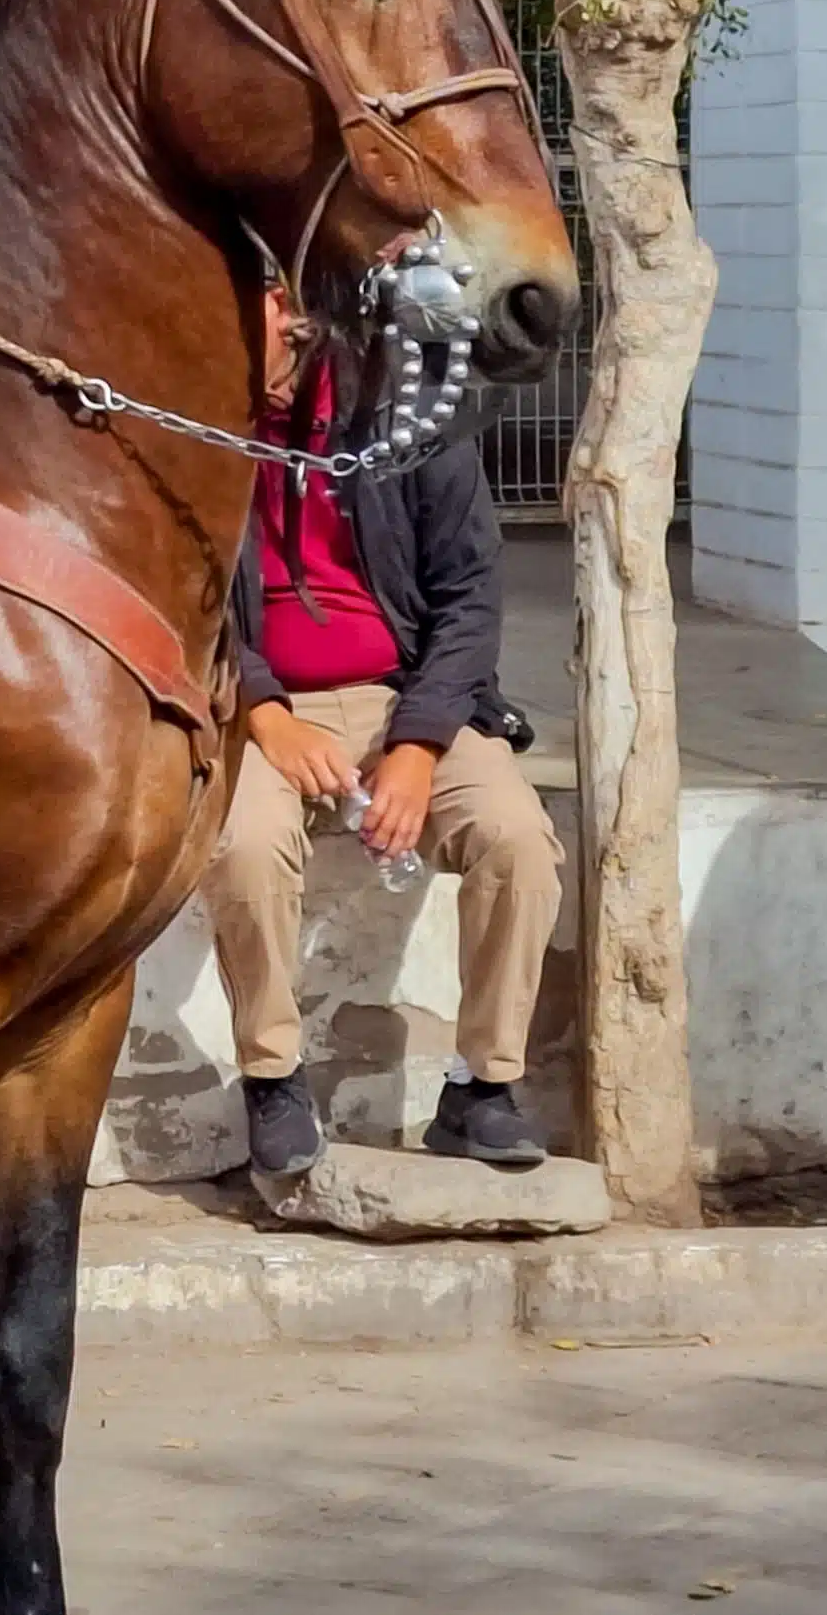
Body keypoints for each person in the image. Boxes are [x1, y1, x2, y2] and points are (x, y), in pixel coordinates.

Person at [206, 289, 561, 1178]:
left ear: (286, 308)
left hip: (406, 697)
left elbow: (470, 597)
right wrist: (263, 712)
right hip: (262, 709)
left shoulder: (407, 413)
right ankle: (272, 1077)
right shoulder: (196, 420)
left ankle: (482, 1087)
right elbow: (186, 589)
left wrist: (417, 743)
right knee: (244, 846)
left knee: (517, 842)